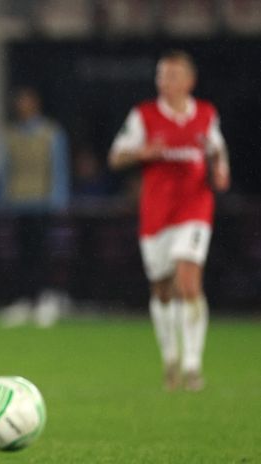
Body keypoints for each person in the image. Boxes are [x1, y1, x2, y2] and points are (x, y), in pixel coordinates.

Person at [108, 50, 230, 392]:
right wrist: (142, 152)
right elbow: (116, 156)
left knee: (188, 282)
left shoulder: (206, 115)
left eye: (173, 75)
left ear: (189, 81)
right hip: (156, 215)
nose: (165, 82)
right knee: (162, 288)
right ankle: (170, 358)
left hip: (194, 210)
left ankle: (193, 366)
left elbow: (219, 165)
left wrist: (218, 166)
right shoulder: (144, 116)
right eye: (162, 75)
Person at [0, 87, 71, 328]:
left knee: (42, 253)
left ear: (35, 104)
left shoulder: (51, 133)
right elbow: (4, 170)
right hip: (18, 202)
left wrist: (58, 199)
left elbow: (58, 167)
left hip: (42, 201)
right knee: (21, 254)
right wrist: (0, 198)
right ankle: (24, 301)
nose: (23, 106)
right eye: (20, 102)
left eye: (27, 102)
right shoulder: (11, 134)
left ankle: (45, 299)